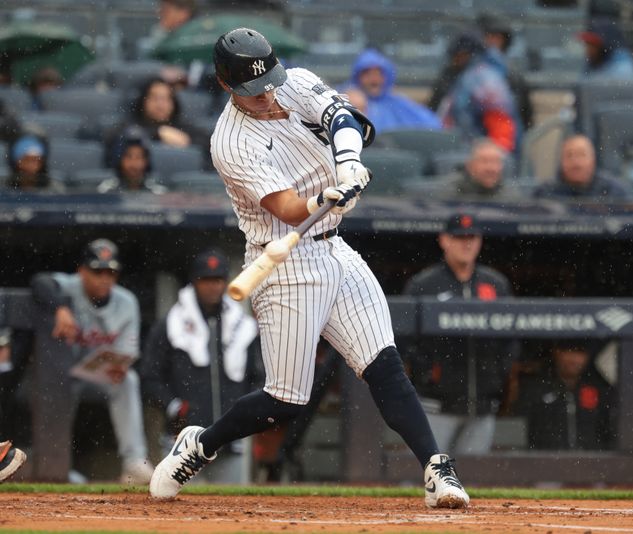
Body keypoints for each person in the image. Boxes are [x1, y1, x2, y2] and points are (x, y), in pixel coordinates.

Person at [149, 28, 469, 509]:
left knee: (383, 364)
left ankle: (436, 467)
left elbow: (342, 116)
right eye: (252, 90)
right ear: (225, 85)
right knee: (285, 400)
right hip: (283, 261)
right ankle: (201, 443)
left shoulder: (292, 81)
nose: (266, 95)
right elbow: (289, 208)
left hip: (335, 249)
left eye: (268, 82)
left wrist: (348, 162)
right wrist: (326, 196)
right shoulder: (230, 142)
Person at [31, 239, 153, 485]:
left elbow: (126, 353)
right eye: (97, 271)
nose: (105, 278)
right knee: (56, 387)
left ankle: (134, 463)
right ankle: (56, 467)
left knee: (128, 380)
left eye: (111, 272)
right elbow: (39, 282)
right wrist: (61, 307)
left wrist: (120, 367)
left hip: (98, 375)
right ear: (81, 271)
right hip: (64, 376)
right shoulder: (70, 287)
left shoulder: (126, 301)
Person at [139, 249, 262, 484]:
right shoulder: (171, 324)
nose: (213, 287)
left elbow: (258, 377)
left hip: (230, 438)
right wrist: (174, 406)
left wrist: (245, 412)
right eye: (206, 280)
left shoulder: (243, 325)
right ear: (194, 281)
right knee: (176, 510)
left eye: (218, 280)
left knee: (232, 509)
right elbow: (150, 376)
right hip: (182, 440)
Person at [402, 213, 517, 455]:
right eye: (459, 237)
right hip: (436, 404)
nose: (467, 243)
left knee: (473, 481)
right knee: (427, 474)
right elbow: (405, 341)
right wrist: (429, 372)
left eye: (472, 237)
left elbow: (511, 339)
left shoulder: (495, 284)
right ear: (444, 240)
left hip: (482, 405)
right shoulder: (424, 284)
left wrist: (496, 373)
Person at [522, 340, 616, 450]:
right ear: (556, 352)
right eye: (568, 351)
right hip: (545, 462)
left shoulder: (598, 389)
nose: (574, 359)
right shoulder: (536, 388)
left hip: (591, 463)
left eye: (580, 353)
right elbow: (519, 430)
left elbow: (610, 432)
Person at [437, 33, 522, 155]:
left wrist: (495, 158)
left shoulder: (484, 79)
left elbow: (502, 129)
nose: (454, 62)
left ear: (465, 54)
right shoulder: (468, 75)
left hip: (484, 159)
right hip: (468, 153)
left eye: (456, 56)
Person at [105, 78, 206, 163]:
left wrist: (187, 141)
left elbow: (208, 143)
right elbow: (112, 138)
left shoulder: (183, 126)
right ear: (143, 101)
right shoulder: (132, 123)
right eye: (154, 98)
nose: (160, 105)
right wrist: (157, 133)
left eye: (166, 99)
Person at [345, 49, 441, 133]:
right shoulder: (349, 100)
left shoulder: (397, 103)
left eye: (378, 74)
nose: (373, 79)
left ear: (386, 77)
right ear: (358, 77)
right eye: (367, 74)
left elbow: (432, 126)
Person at [532, 134, 632, 201]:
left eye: (581, 155)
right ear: (561, 161)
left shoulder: (614, 191)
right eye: (569, 155)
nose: (576, 163)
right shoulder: (544, 193)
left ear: (593, 159)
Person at [476, 12, 532, 130]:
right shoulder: (460, 73)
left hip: (504, 141)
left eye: (496, 37)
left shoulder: (513, 77)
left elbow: (524, 118)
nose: (491, 42)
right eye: (487, 37)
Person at [435, 137, 518, 200]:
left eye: (496, 162)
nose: (491, 168)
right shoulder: (450, 191)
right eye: (484, 161)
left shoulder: (510, 193)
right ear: (470, 166)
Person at [99, 127, 166, 194]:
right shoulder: (107, 191)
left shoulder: (157, 192)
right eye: (129, 157)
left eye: (139, 157)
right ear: (119, 160)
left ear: (146, 161)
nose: (134, 164)